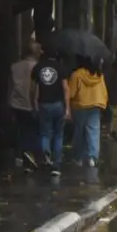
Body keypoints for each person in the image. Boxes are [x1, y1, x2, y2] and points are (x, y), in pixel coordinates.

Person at [31, 42, 70, 175]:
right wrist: (68, 108)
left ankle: (46, 155)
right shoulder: (60, 68)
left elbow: (34, 88)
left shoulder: (38, 67)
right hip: (58, 104)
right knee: (59, 135)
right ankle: (56, 164)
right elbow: (65, 88)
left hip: (43, 103)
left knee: (45, 133)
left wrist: (34, 102)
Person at [66, 56, 107, 167]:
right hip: (96, 105)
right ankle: (92, 157)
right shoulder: (99, 74)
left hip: (80, 106)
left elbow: (72, 93)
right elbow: (104, 92)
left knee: (79, 131)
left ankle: (78, 157)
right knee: (93, 131)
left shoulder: (76, 75)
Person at [9, 38, 41, 171]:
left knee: (21, 130)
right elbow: (36, 88)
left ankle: (20, 156)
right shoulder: (37, 68)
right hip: (32, 103)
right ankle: (31, 157)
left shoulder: (14, 66)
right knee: (33, 131)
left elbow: (10, 86)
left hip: (16, 103)